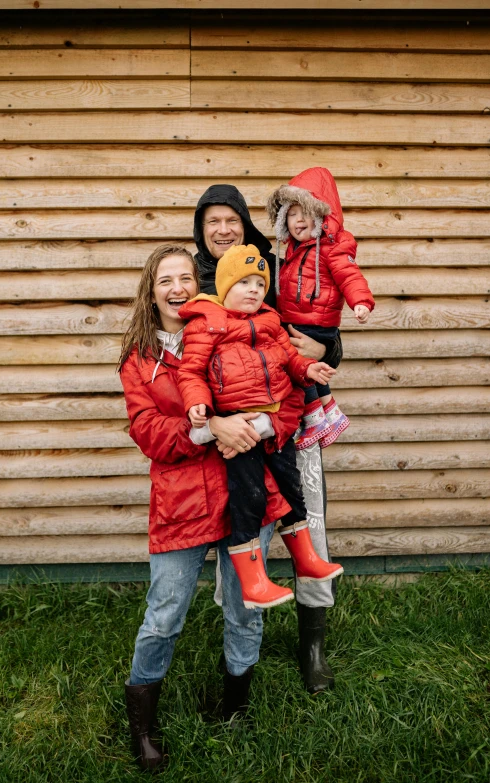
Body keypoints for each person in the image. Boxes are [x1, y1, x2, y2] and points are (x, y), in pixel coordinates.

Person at [118, 244, 292, 769]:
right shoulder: (140, 361)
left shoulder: (232, 329)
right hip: (183, 503)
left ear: (201, 285)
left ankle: (235, 707)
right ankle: (143, 724)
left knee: (245, 609)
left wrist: (260, 424)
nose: (177, 288)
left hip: (244, 497)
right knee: (165, 613)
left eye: (186, 278)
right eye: (165, 280)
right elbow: (148, 431)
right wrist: (209, 426)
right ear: (151, 293)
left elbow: (282, 400)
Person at [193, 185, 344, 695]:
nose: (223, 229)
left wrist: (321, 347)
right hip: (227, 434)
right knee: (245, 523)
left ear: (245, 223)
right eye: (212, 221)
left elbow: (320, 328)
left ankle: (313, 645)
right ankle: (242, 654)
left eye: (231, 219)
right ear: (201, 228)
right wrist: (213, 423)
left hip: (290, 423)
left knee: (308, 521)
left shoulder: (273, 272)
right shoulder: (192, 279)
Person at [177, 243, 344, 610]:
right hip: (240, 427)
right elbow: (190, 371)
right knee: (249, 498)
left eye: (259, 283)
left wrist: (307, 369)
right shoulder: (206, 324)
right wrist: (197, 403)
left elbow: (289, 358)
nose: (253, 289)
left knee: (292, 489)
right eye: (244, 282)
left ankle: (307, 561)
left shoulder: (271, 321)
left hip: (277, 423)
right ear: (224, 288)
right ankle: (252, 582)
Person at [267, 167, 375, 449]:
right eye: (291, 213)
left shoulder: (332, 247)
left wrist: (361, 302)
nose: (298, 220)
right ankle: (330, 411)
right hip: (300, 321)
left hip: (317, 326)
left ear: (321, 215)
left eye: (306, 211)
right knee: (302, 365)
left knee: (300, 367)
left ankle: (316, 418)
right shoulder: (293, 250)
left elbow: (350, 276)